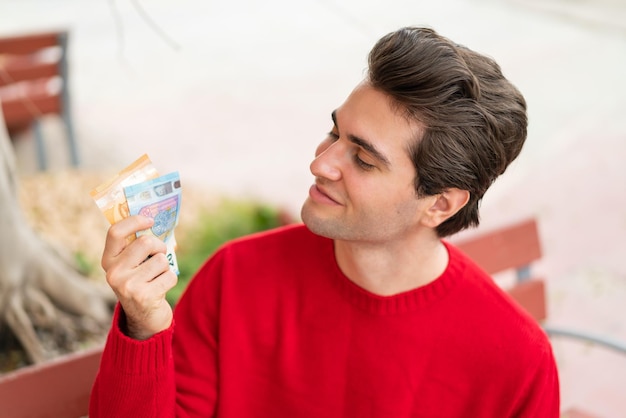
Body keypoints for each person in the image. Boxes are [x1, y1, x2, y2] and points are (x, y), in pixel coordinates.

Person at [89, 26, 560, 417]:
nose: (322, 163)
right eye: (335, 132)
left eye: (364, 159)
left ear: (440, 204)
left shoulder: (516, 362)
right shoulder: (236, 277)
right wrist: (145, 326)